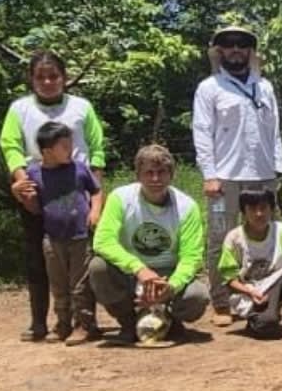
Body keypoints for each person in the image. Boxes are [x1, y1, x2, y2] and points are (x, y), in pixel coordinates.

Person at [0, 49, 107, 341]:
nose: (48, 82)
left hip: (76, 188)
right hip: (38, 186)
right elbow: (10, 145)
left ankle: (85, 321)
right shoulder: (19, 109)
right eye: (40, 77)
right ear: (31, 79)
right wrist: (23, 182)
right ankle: (40, 322)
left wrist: (96, 193)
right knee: (39, 257)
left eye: (53, 76)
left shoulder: (81, 107)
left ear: (64, 77)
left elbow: (97, 148)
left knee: (81, 261)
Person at [192, 24, 282, 327]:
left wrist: (277, 168)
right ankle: (221, 302)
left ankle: (267, 296)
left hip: (262, 175)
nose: (235, 50)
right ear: (220, 51)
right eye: (229, 45)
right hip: (224, 179)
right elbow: (202, 132)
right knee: (220, 237)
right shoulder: (210, 88)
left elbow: (274, 131)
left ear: (250, 51)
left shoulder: (265, 87)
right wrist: (209, 174)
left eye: (241, 44)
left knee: (268, 239)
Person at [89, 144, 209, 344]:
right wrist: (138, 268)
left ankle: (171, 321)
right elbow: (102, 241)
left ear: (171, 175)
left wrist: (171, 286)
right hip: (131, 272)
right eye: (149, 173)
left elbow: (192, 257)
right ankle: (128, 323)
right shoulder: (121, 198)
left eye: (161, 172)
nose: (155, 179)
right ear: (138, 175)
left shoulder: (187, 207)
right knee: (98, 268)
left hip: (169, 272)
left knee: (197, 295)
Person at [25, 121, 104, 345]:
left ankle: (84, 324)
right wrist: (23, 196)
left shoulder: (79, 168)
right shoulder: (34, 173)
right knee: (58, 284)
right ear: (47, 151)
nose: (70, 149)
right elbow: (33, 207)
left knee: (80, 284)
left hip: (79, 236)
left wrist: (95, 211)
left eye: (70, 144)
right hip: (52, 237)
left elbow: (96, 191)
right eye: (64, 146)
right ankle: (62, 323)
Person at [218, 188, 282, 339]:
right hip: (250, 291)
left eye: (263, 208)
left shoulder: (280, 231)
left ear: (271, 210)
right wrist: (249, 292)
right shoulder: (234, 238)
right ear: (243, 212)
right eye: (252, 209)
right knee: (266, 326)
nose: (259, 214)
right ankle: (257, 319)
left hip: (277, 283)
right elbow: (229, 278)